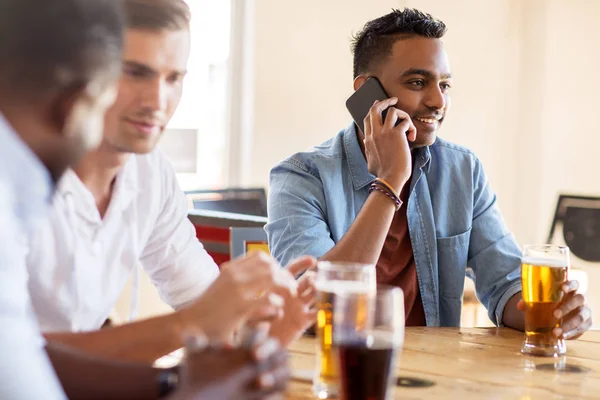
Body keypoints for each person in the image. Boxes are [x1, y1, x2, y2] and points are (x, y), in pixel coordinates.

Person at [0, 0, 289, 398]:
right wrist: (188, 332)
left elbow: (208, 303)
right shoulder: (17, 177)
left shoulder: (151, 173)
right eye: (135, 73)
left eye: (174, 78)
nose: (156, 101)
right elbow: (14, 360)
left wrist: (265, 323)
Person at [266, 8, 592, 338]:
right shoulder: (299, 178)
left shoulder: (463, 171)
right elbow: (315, 311)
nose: (438, 101)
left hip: (435, 378)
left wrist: (554, 314)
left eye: (445, 84)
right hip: (342, 373)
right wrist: (390, 181)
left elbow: (507, 286)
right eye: (418, 82)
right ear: (367, 92)